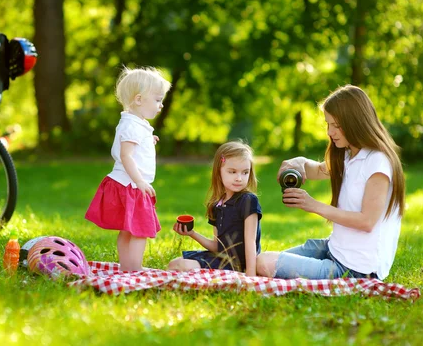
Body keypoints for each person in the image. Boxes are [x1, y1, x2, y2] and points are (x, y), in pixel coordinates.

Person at [256, 84, 406, 281]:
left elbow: (367, 222)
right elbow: (317, 170)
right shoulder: (350, 155)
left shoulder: (377, 162)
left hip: (356, 269)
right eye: (328, 124)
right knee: (258, 260)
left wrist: (313, 205)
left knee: (263, 263)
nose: (330, 132)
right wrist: (297, 162)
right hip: (334, 247)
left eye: (336, 126)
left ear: (356, 122)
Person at [85, 66, 171, 271]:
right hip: (131, 184)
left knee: (127, 230)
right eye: (158, 100)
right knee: (140, 230)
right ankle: (134, 269)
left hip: (125, 183)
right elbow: (126, 155)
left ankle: (126, 266)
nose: (161, 105)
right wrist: (140, 181)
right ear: (139, 100)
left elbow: (132, 146)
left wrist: (148, 141)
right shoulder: (132, 126)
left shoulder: (134, 123)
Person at [168, 141, 262, 276]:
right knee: (174, 264)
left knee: (183, 266)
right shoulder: (216, 205)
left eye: (245, 172)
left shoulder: (248, 200)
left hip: (238, 263)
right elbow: (218, 247)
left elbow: (250, 242)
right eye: (232, 172)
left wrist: (250, 274)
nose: (239, 178)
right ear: (219, 172)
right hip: (222, 258)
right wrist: (192, 233)